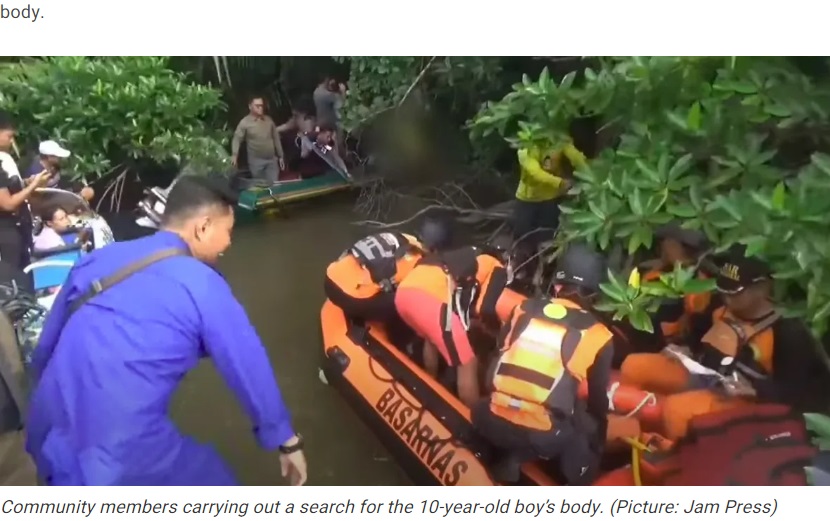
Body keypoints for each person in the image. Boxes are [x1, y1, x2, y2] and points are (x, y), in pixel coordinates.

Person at [25, 175, 307, 486]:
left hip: (47, 430)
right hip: (116, 456)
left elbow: (43, 352)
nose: (228, 243)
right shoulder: (203, 284)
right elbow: (247, 363)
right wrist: (286, 440)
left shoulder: (97, 259)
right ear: (203, 227)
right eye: (228, 232)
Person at [620, 245, 830, 440]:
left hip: (746, 399)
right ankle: (630, 428)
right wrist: (683, 348)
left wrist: (756, 389)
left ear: (763, 287)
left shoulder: (788, 331)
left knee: (677, 410)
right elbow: (697, 334)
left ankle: (677, 459)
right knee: (634, 366)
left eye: (735, 293)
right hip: (706, 374)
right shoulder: (720, 305)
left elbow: (794, 393)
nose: (727, 299)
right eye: (724, 291)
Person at [471, 242, 614, 485]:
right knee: (582, 427)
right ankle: (556, 474)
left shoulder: (523, 308)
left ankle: (496, 452)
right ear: (595, 294)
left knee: (487, 406)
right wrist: (598, 438)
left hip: (489, 418)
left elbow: (496, 364)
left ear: (557, 285)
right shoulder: (599, 335)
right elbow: (598, 403)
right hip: (541, 437)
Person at [394, 243, 511, 407]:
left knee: (431, 338)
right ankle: (471, 416)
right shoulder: (496, 266)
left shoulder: (458, 255)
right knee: (468, 362)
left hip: (403, 296)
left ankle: (430, 382)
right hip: (431, 302)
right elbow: (484, 308)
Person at [325, 216, 454, 348]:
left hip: (330, 279)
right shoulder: (417, 262)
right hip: (350, 297)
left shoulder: (404, 237)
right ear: (436, 249)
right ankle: (402, 344)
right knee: (408, 302)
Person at [512, 138, 586, 278]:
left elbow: (576, 158)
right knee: (523, 237)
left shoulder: (558, 139)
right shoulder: (526, 145)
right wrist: (560, 183)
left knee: (548, 238)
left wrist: (589, 174)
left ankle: (546, 274)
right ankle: (522, 271)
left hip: (550, 199)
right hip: (527, 199)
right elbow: (535, 172)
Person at [640, 223, 713, 347]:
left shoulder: (698, 286)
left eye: (666, 241)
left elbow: (688, 331)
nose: (662, 246)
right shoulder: (657, 272)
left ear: (676, 246)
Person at [0, 112, 51, 270]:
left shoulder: (5, 159)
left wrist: (27, 182)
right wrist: (33, 186)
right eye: (9, 136)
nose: (11, 141)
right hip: (6, 229)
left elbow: (10, 187)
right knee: (13, 275)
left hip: (19, 227)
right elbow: (7, 203)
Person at [231, 96, 286, 184]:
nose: (260, 108)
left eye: (261, 105)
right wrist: (234, 154)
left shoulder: (268, 120)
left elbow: (276, 138)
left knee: (274, 184)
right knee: (261, 186)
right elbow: (237, 138)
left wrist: (280, 155)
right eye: (257, 106)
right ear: (250, 107)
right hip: (256, 161)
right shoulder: (245, 123)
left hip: (271, 160)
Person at [26, 140, 95, 202]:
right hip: (48, 201)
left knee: (89, 192)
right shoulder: (36, 172)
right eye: (56, 156)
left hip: (59, 192)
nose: (59, 158)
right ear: (48, 157)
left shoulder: (54, 166)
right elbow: (38, 198)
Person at [313, 76, 346, 155]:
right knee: (337, 144)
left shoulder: (316, 92)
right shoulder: (326, 95)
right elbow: (341, 104)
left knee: (329, 147)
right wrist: (343, 91)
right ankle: (340, 161)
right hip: (330, 125)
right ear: (326, 80)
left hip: (321, 122)